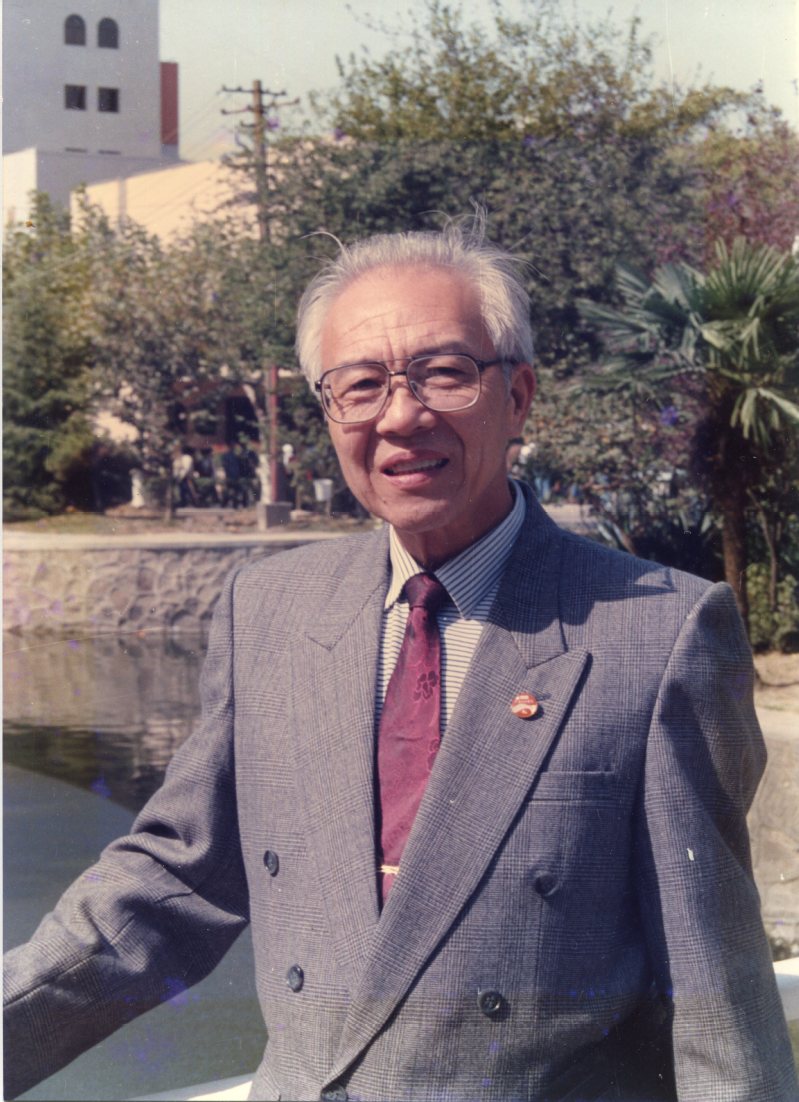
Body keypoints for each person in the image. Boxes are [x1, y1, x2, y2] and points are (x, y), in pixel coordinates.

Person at [5, 221, 798, 1102]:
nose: (400, 415)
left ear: (517, 396)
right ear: (328, 413)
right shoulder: (269, 610)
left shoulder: (659, 634)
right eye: (360, 385)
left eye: (444, 373)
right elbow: (171, 883)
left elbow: (713, 1000)